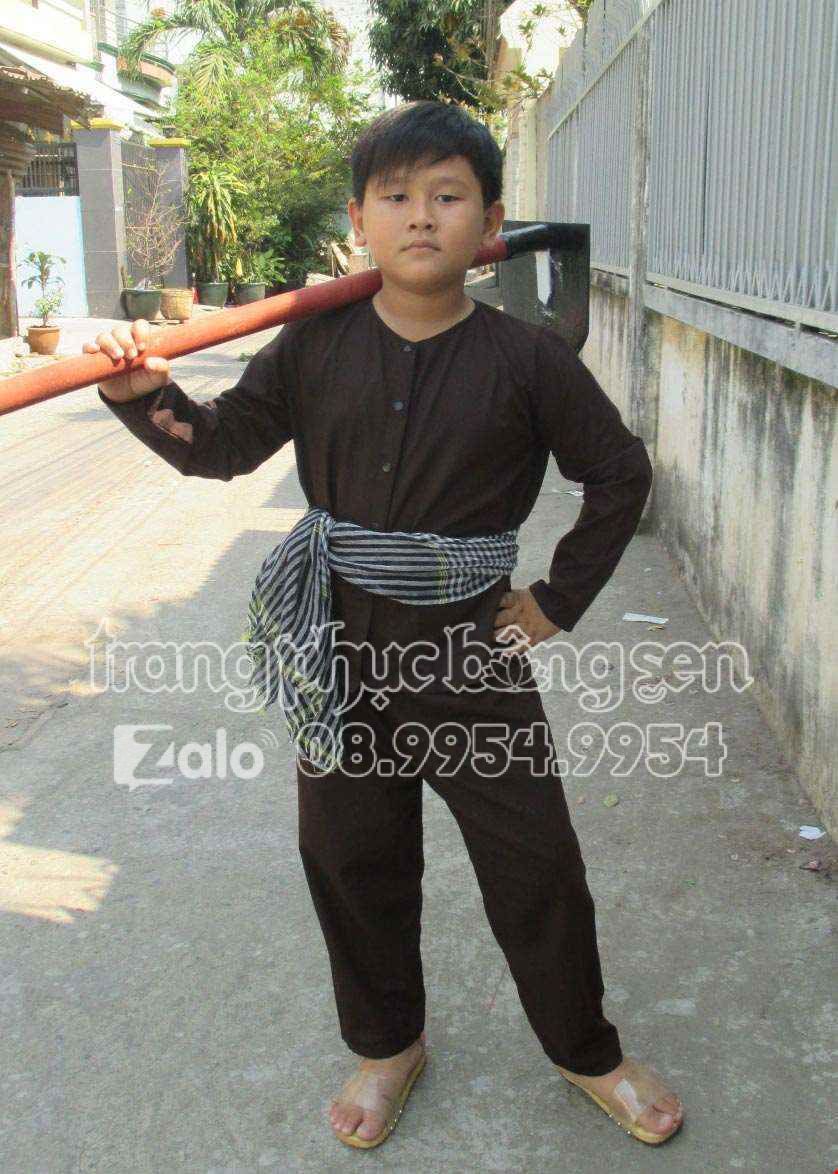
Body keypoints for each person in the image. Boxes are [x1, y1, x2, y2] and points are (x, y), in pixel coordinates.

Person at [85, 99, 685, 1150]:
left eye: (448, 196)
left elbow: (619, 473)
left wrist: (555, 600)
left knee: (535, 864)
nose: (420, 216)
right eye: (395, 196)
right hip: (339, 651)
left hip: (472, 653)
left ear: (488, 224)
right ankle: (387, 1046)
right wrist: (146, 395)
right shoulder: (314, 344)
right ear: (359, 220)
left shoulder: (528, 358)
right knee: (351, 858)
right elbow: (221, 445)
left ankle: (587, 1050)